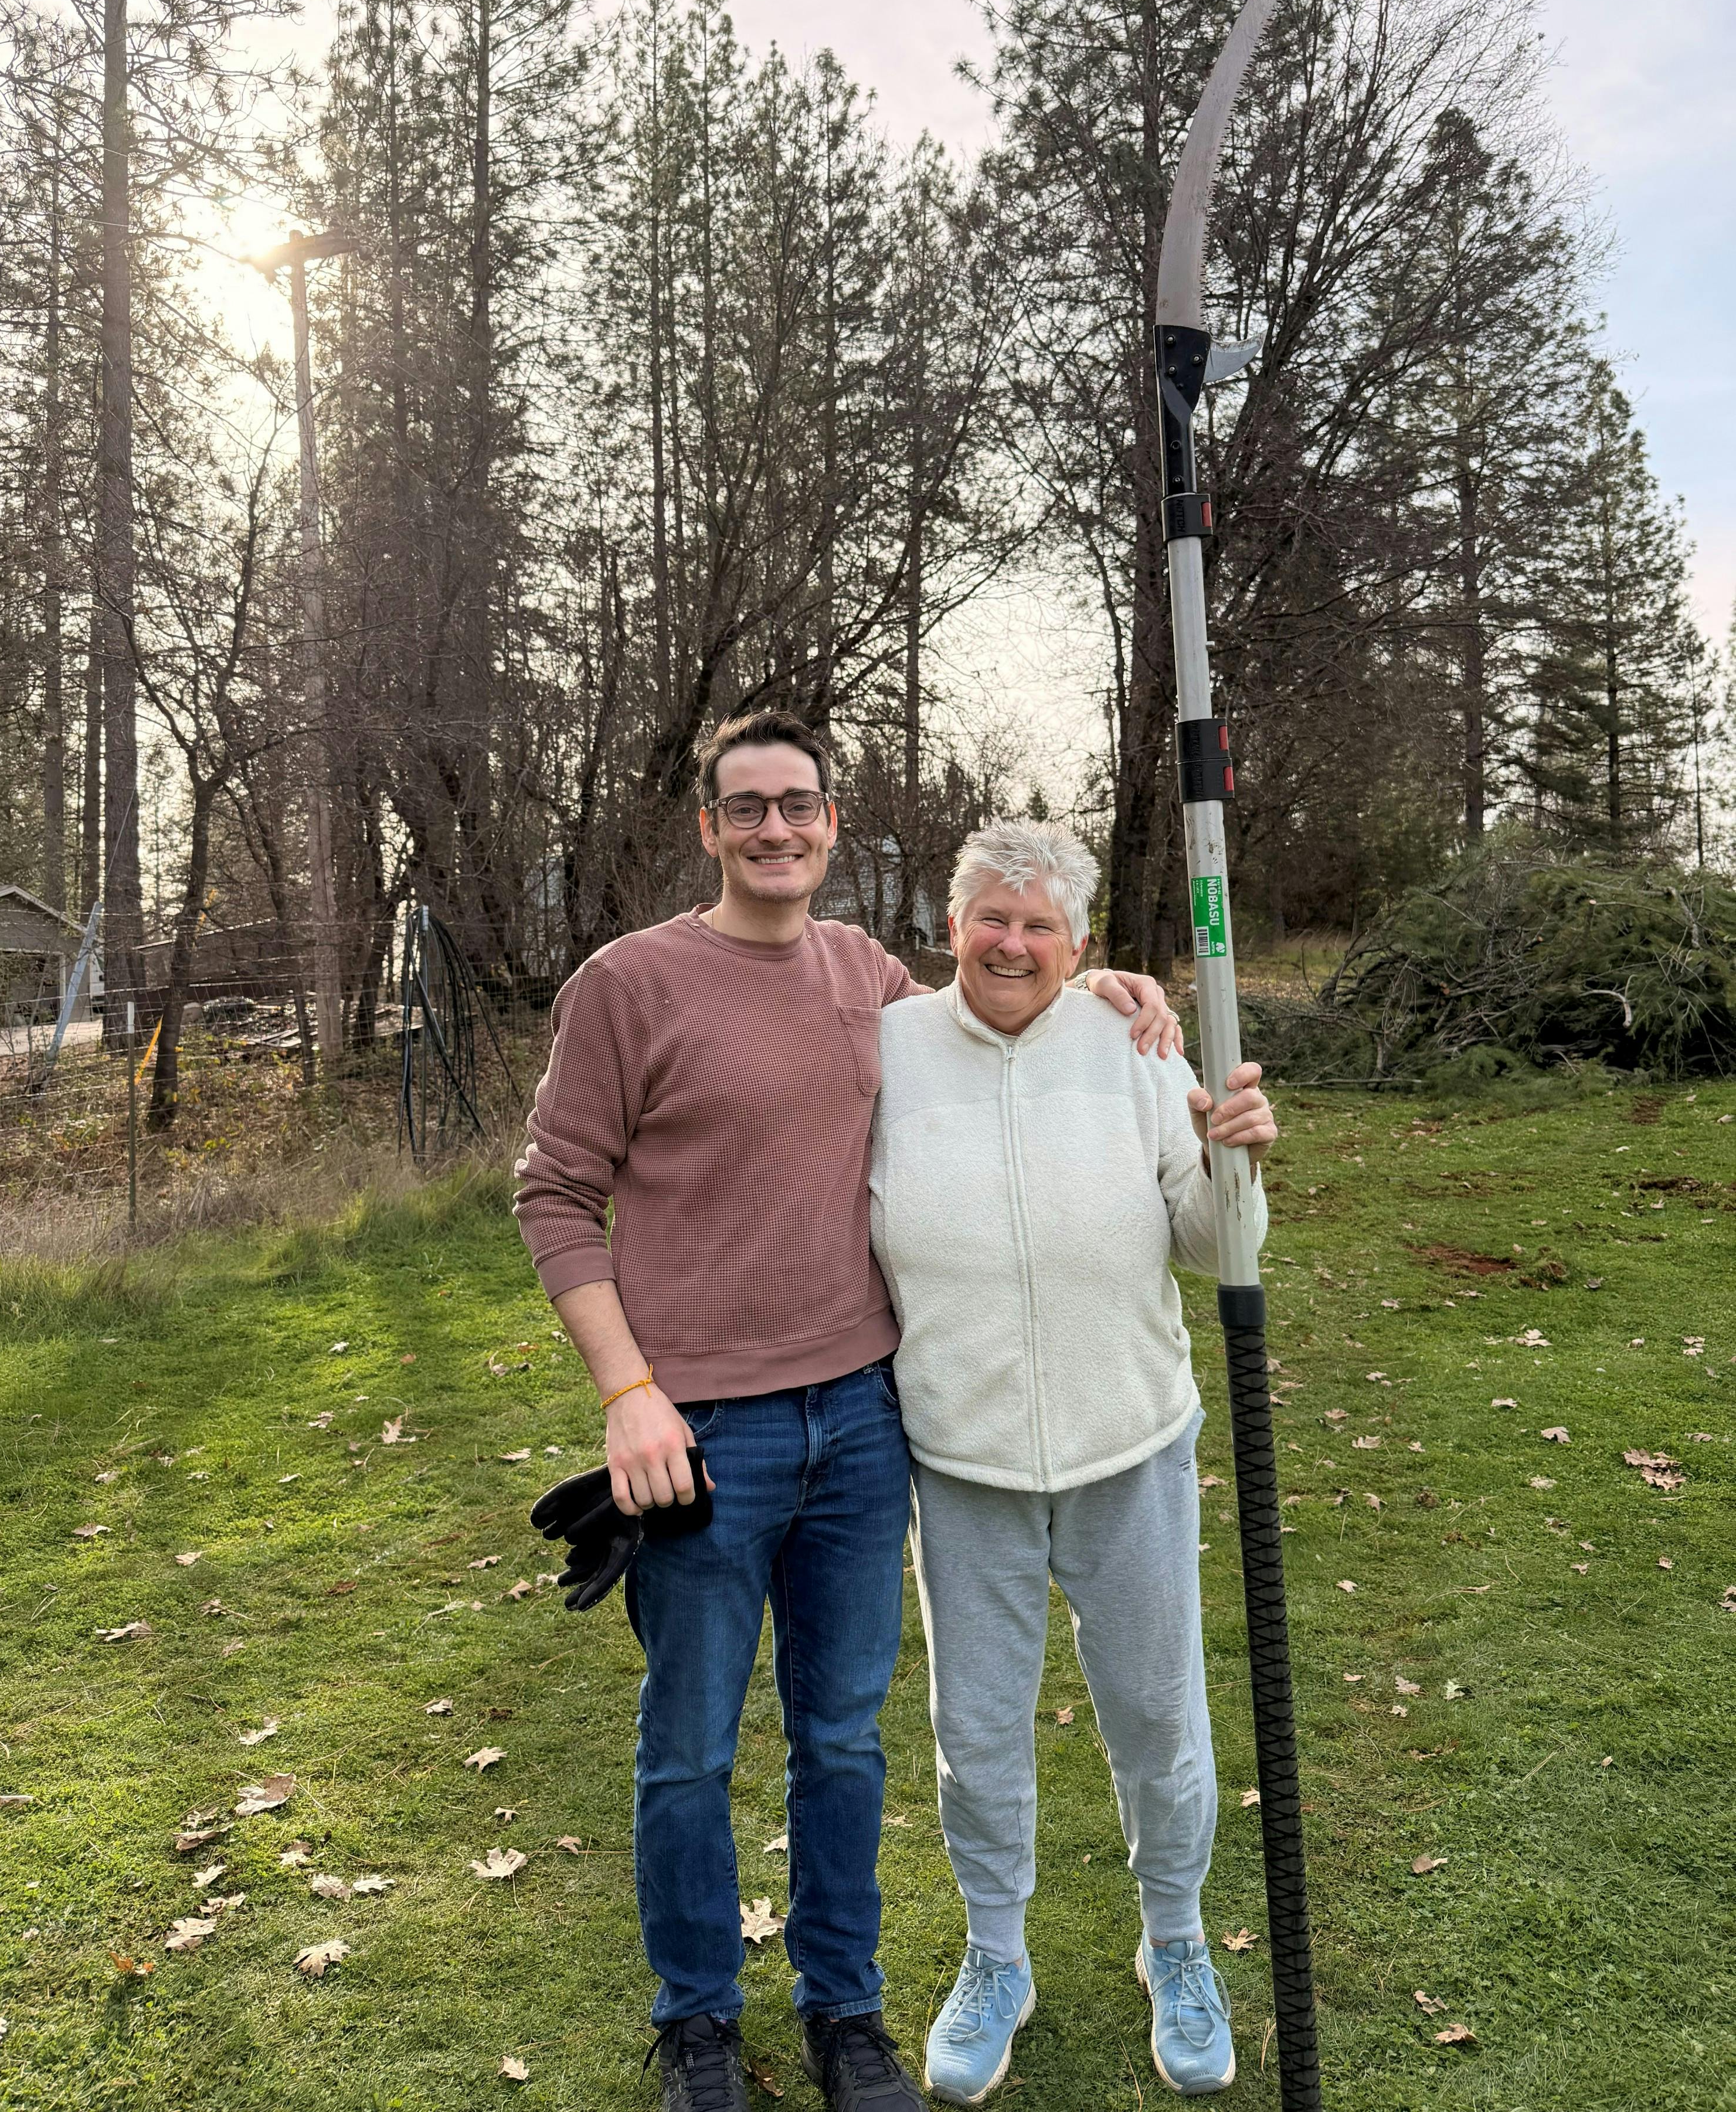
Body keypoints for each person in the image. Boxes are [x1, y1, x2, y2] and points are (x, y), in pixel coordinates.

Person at [512, 714, 1177, 2112]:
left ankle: (845, 2009)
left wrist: (1111, 983)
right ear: (707, 827)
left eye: (798, 805)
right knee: (690, 1741)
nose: (774, 828)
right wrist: (629, 1392)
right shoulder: (629, 984)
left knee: (844, 1736)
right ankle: (698, 2019)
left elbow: (1000, 989)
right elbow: (555, 1193)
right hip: (702, 1434)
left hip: (867, 1423)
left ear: (830, 823)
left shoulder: (862, 977)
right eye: (745, 807)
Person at [868, 819, 1279, 2103]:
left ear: (1081, 943)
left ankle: (1176, 1941)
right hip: (963, 1456)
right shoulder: (885, 1051)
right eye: (991, 915)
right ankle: (999, 1955)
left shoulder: (1136, 1045)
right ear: (949, 926)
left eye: (1041, 923)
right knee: (977, 1730)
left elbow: (1214, 1244)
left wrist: (1235, 1157)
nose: (1013, 941)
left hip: (1131, 1442)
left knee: (1159, 1715)